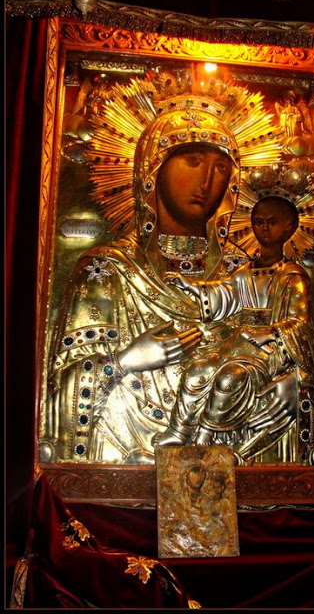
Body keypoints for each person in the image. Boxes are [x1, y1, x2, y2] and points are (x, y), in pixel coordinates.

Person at [41, 72, 282, 464]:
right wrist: (124, 362)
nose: (207, 181)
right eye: (192, 161)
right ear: (153, 169)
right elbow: (58, 399)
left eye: (221, 168)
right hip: (120, 466)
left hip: (227, 461)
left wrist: (283, 383)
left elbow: (278, 362)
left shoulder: (246, 274)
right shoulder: (108, 270)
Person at [156, 195, 314, 462]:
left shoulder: (292, 276)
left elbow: (300, 323)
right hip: (239, 343)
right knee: (198, 369)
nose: (264, 228)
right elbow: (224, 294)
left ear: (289, 228)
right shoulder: (245, 272)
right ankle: (179, 431)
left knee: (231, 377)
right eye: (259, 222)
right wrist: (191, 286)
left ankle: (206, 436)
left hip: (270, 351)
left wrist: (272, 332)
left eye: (272, 222)